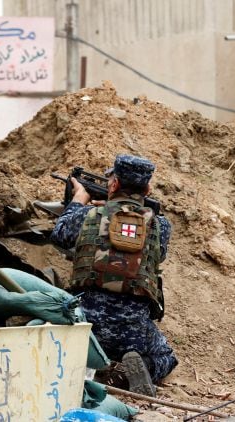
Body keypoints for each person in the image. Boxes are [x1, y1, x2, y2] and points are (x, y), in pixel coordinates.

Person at [50, 154, 178, 397]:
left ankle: (84, 362)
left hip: (85, 322)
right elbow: (156, 256)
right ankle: (124, 374)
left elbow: (60, 235)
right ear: (148, 188)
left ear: (114, 184)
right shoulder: (161, 226)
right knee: (165, 357)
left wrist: (78, 200)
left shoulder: (87, 215)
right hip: (133, 329)